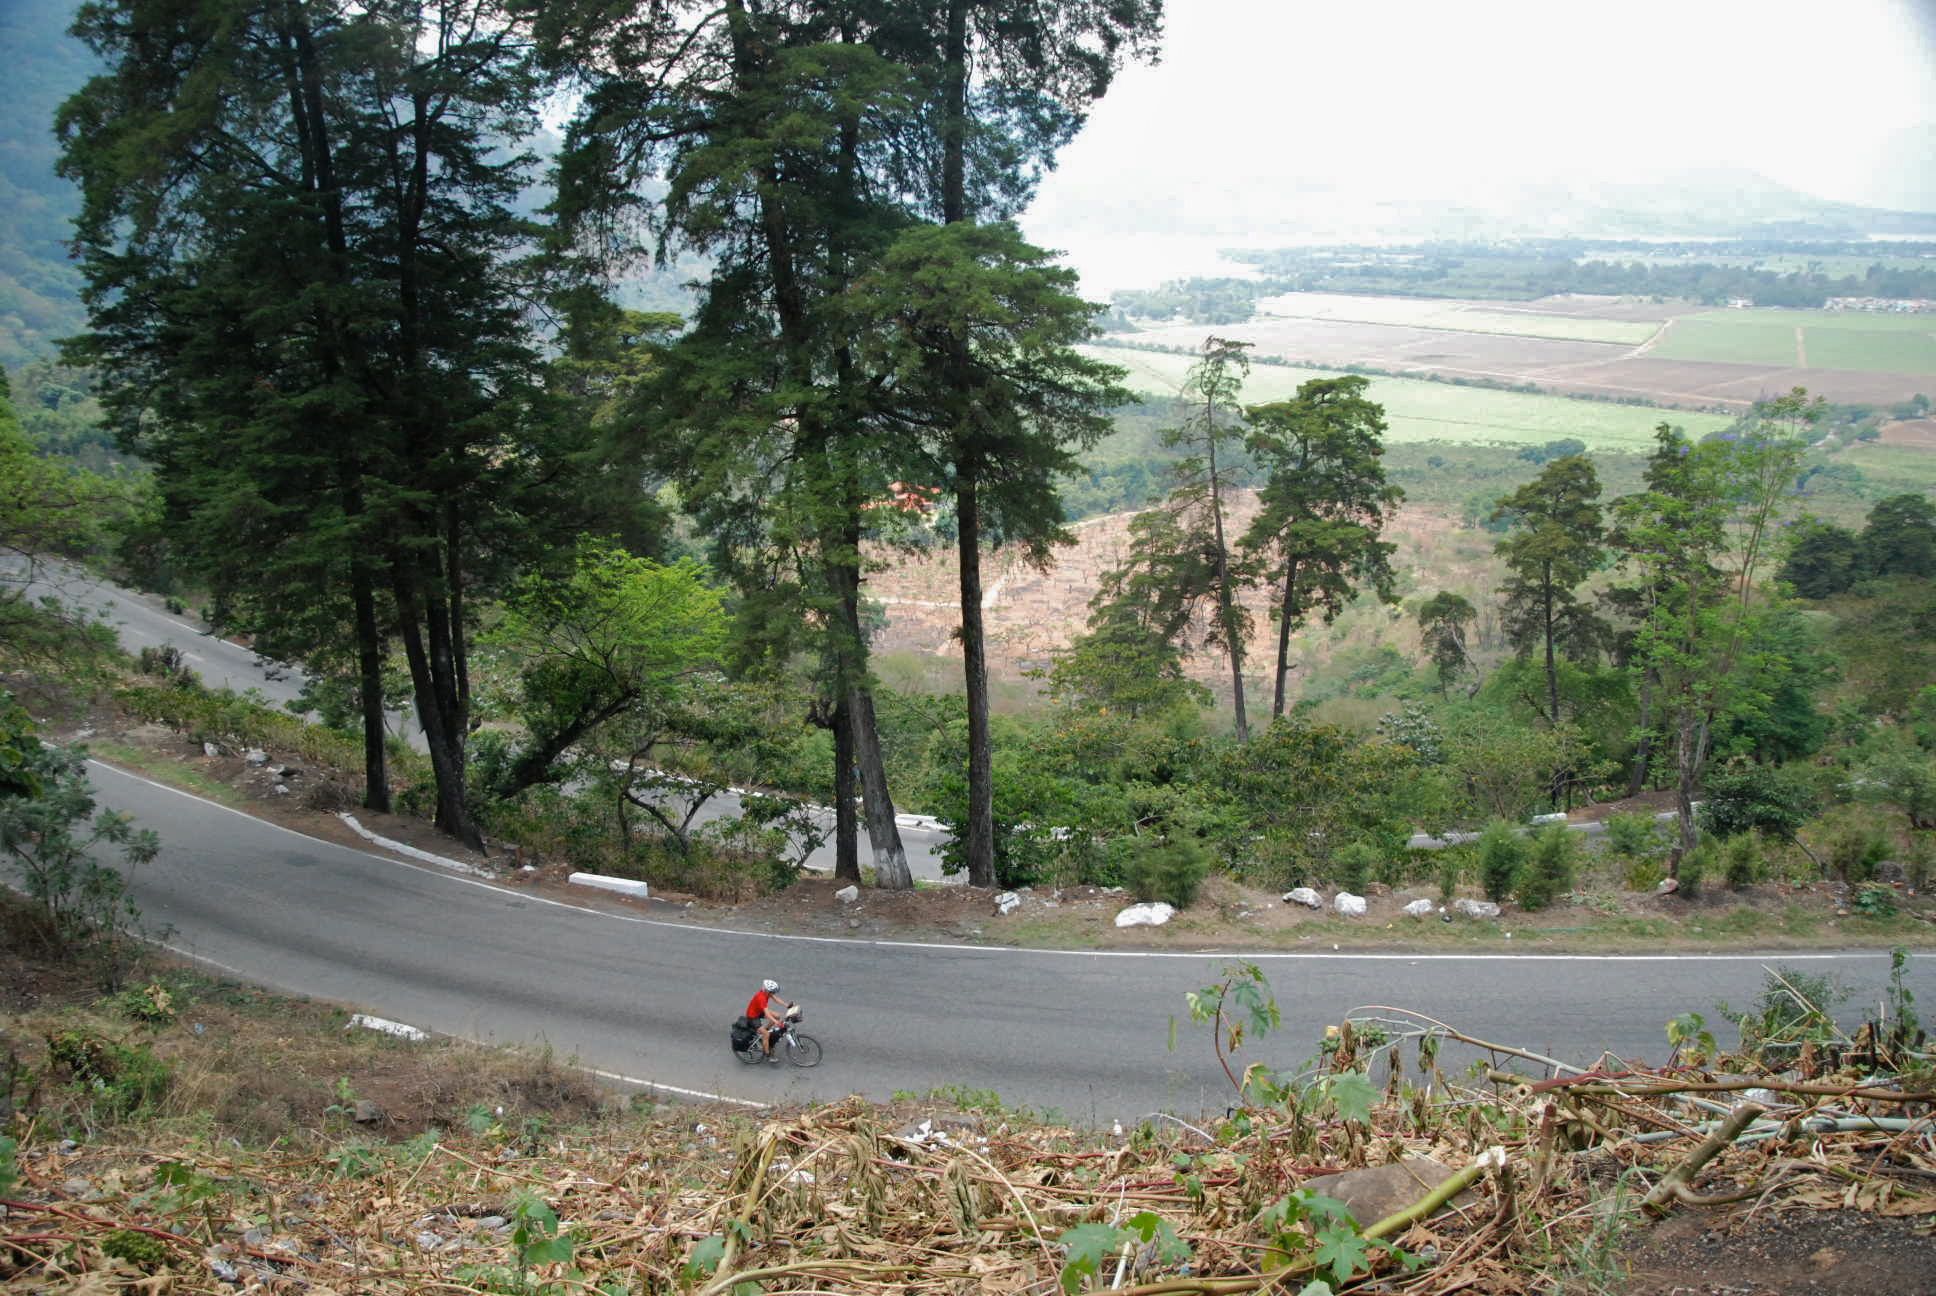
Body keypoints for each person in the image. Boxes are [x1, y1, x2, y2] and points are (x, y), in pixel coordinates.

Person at [744, 978, 792, 1060]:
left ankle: (764, 1030)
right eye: (773, 992)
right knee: (766, 1034)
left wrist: (787, 1005)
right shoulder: (761, 998)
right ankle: (768, 1054)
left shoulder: (766, 993)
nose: (774, 993)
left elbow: (776, 999)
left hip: (758, 1011)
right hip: (752, 1017)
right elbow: (767, 1014)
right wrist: (776, 1022)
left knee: (777, 1016)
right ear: (768, 991)